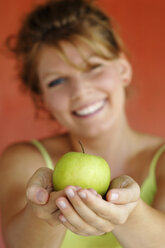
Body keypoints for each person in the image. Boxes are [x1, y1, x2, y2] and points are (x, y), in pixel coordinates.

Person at [0, 0, 165, 247]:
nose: (80, 91)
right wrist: (43, 215)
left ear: (123, 70)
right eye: (57, 81)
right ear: (42, 99)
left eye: (94, 67)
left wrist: (129, 213)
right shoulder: (23, 159)